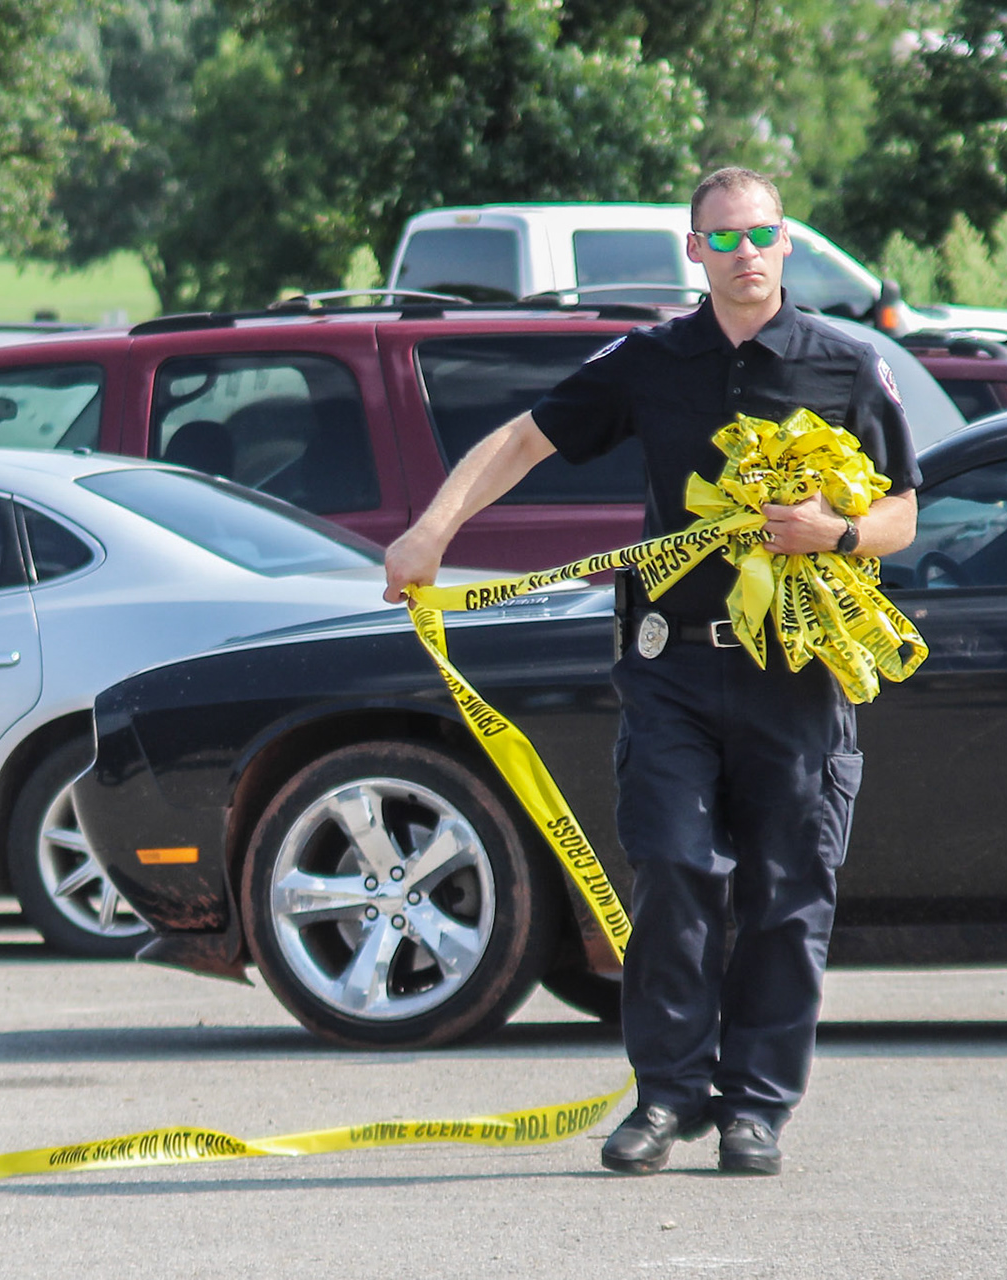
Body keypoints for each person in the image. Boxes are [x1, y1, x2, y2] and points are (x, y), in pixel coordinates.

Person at [382, 167, 920, 1176]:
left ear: (786, 242)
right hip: (672, 668)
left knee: (786, 892)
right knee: (673, 869)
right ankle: (667, 1097)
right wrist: (430, 530)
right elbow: (523, 438)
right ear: (693, 252)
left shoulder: (847, 363)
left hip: (794, 675)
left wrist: (838, 530)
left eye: (760, 235)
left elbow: (904, 510)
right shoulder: (650, 362)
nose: (744, 254)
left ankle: (756, 1106)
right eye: (722, 240)